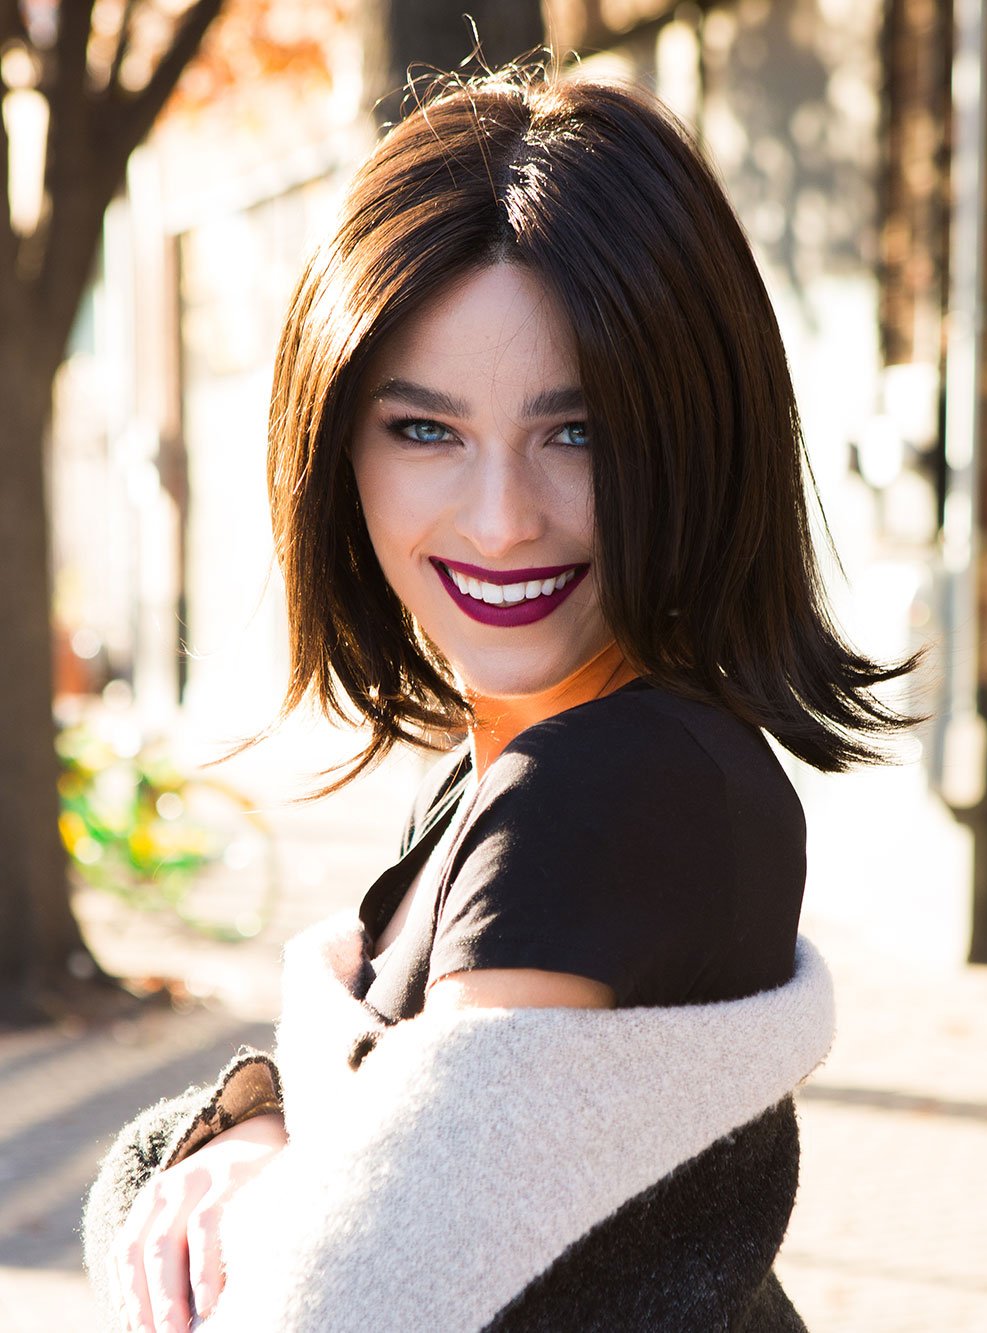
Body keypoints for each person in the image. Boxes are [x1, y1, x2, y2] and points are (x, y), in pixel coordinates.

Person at [83, 66, 918, 1332]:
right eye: (425, 430)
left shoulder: (607, 787)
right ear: (336, 445)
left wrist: (198, 1169)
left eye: (577, 432)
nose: (500, 520)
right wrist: (257, 1131)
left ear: (696, 435)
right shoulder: (520, 770)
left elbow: (338, 1299)